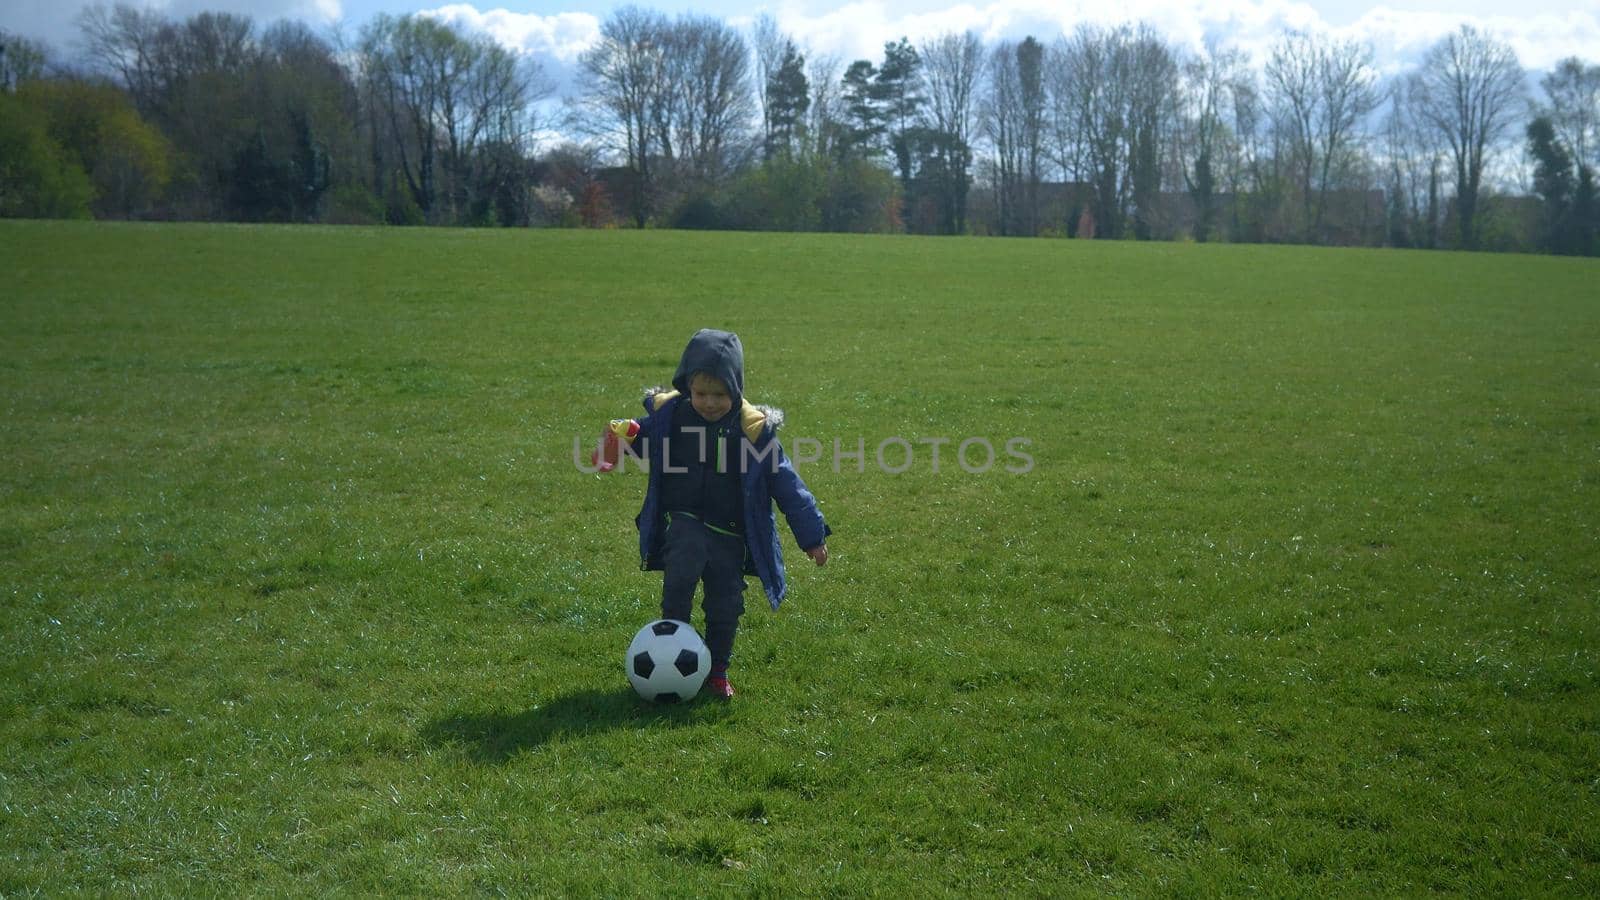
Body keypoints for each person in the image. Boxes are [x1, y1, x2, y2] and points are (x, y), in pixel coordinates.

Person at [598, 328, 829, 699]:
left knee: (726, 604)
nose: (708, 402)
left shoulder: (752, 432)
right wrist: (619, 443)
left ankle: (717, 669)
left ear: (736, 391)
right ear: (687, 386)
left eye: (719, 395)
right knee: (679, 583)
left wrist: (812, 536)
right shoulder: (670, 415)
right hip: (684, 521)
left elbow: (787, 483)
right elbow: (641, 441)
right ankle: (671, 655)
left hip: (731, 533)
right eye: (701, 393)